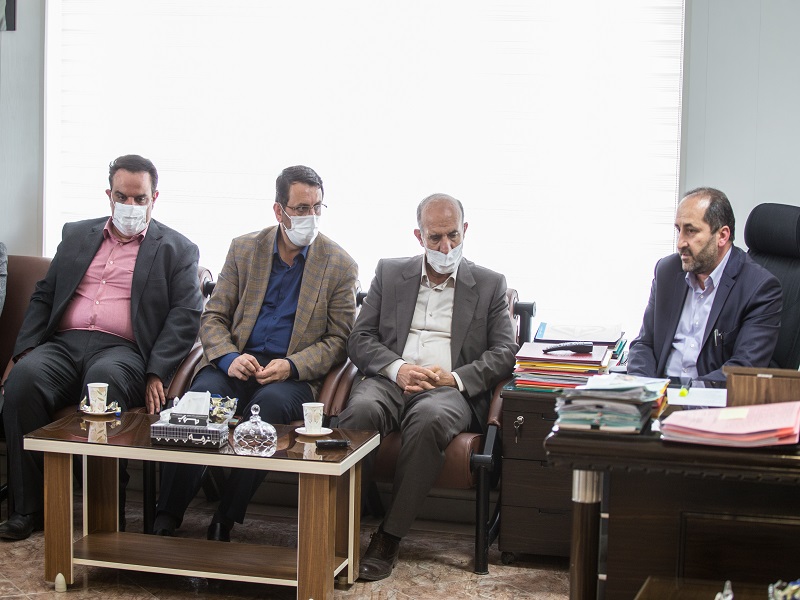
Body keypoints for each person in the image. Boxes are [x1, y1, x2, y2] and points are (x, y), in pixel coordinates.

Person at [0, 154, 203, 541]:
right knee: (24, 381)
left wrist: (157, 372)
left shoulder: (177, 248)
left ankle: (104, 513)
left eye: (140, 198)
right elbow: (44, 295)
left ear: (154, 198)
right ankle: (28, 509)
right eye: (122, 197)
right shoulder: (77, 234)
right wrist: (22, 351)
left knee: (102, 385)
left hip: (123, 351)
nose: (131, 206)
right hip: (63, 344)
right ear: (109, 195)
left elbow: (186, 316)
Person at [153, 165, 358, 541]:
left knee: (269, 408)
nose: (310, 216)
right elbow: (213, 317)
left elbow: (338, 341)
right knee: (199, 404)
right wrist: (229, 357)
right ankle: (167, 514)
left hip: (290, 376)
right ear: (279, 211)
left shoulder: (340, 265)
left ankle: (225, 518)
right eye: (301, 208)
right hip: (236, 363)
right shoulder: (244, 248)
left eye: (317, 207)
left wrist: (291, 365)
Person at [339, 193, 518, 581]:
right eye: (435, 238)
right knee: (360, 411)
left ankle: (388, 537)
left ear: (465, 230)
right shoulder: (390, 273)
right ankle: (339, 528)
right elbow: (360, 338)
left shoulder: (490, 284)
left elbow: (505, 352)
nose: (446, 247)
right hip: (391, 380)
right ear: (419, 236)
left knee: (429, 419)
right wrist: (398, 369)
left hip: (448, 389)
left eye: (453, 235)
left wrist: (454, 377)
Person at [627, 187, 782, 385]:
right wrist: (643, 389)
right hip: (658, 395)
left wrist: (683, 392)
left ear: (722, 236)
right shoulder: (667, 271)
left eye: (691, 231)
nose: (680, 243)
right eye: (679, 230)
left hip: (709, 399)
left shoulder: (759, 288)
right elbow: (644, 344)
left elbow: (744, 369)